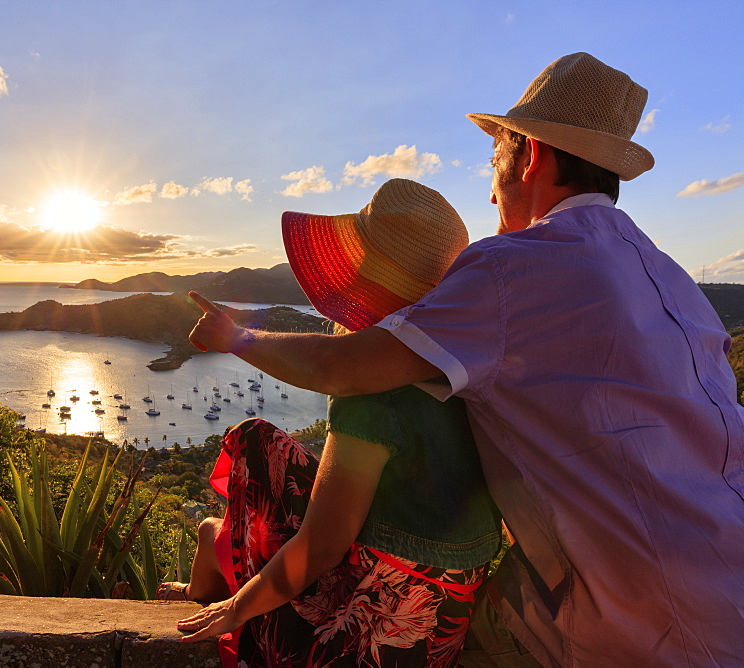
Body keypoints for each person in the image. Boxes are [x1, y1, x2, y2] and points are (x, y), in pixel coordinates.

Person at [186, 53, 744, 666]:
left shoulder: (514, 267)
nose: (491, 187)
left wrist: (236, 337)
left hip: (638, 620)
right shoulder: (671, 278)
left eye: (495, 162)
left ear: (531, 155)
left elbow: (342, 367)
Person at [169, 178, 503, 667]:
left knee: (251, 441)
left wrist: (237, 610)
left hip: (376, 622)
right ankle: (216, 542)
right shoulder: (468, 362)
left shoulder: (368, 394)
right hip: (449, 614)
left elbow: (322, 547)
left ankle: (218, 545)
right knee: (261, 441)